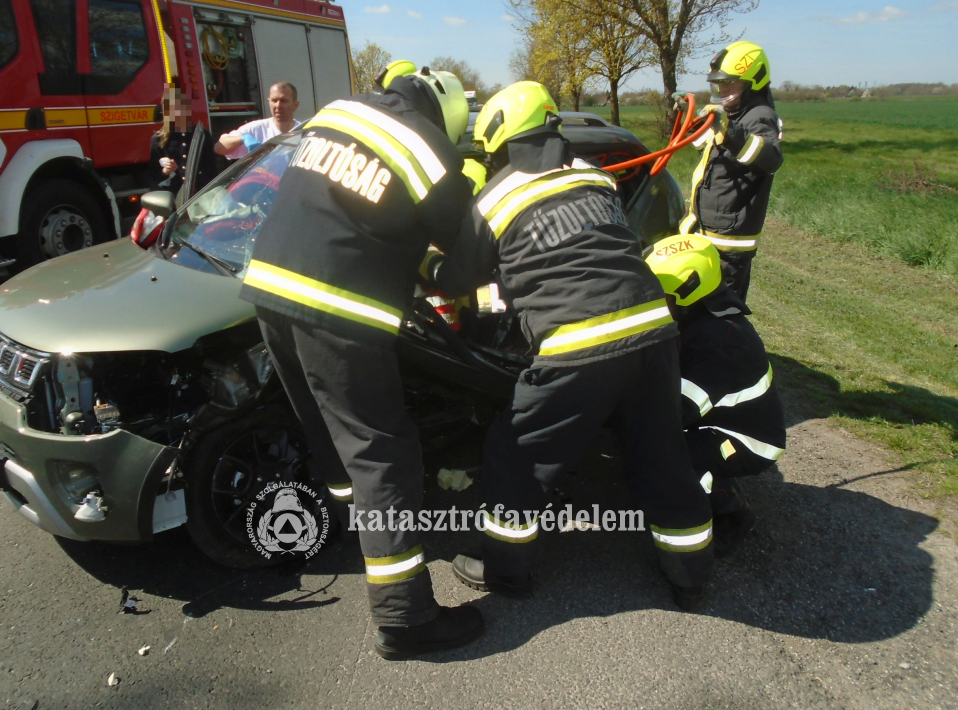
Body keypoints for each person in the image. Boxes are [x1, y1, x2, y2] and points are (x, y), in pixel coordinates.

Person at [422, 81, 715, 611]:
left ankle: (504, 570)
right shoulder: (594, 177)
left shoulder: (497, 196)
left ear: (499, 138)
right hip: (653, 330)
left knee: (515, 453)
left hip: (579, 345)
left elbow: (462, 277)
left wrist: (429, 266)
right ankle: (690, 575)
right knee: (661, 455)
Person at [239, 62, 482, 659]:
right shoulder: (427, 147)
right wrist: (438, 269)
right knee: (382, 451)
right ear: (443, 118)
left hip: (268, 292)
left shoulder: (338, 112)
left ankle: (368, 542)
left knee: (332, 439)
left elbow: (348, 209)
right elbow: (472, 258)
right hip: (335, 310)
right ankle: (405, 618)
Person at [645, 233, 786, 556]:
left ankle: (730, 513)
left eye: (659, 294)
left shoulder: (719, 340)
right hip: (717, 420)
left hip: (746, 440)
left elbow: (676, 408)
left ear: (687, 290)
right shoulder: (701, 319)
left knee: (663, 454)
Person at [677, 41, 784, 301]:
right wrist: (690, 119)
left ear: (753, 82)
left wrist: (730, 130)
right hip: (708, 233)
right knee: (698, 312)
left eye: (730, 83)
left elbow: (770, 159)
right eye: (719, 84)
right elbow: (707, 146)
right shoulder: (735, 115)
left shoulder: (760, 116)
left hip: (728, 242)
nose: (723, 90)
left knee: (722, 318)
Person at [150, 84, 216, 196]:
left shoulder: (201, 134)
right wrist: (165, 171)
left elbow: (211, 169)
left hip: (201, 193)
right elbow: (153, 174)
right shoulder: (158, 138)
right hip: (176, 194)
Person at [215, 81, 301, 159]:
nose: (278, 106)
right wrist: (243, 138)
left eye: (284, 101)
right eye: (274, 100)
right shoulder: (256, 129)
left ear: (295, 105)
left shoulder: (305, 132)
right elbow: (219, 148)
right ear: (269, 102)